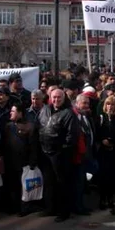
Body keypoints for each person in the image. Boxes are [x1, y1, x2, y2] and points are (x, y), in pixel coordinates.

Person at [37, 88, 78, 222]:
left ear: (64, 98)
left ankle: (63, 211)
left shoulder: (69, 114)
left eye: (59, 97)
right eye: (54, 97)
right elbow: (38, 127)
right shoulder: (44, 110)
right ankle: (50, 208)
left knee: (62, 183)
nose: (56, 100)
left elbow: (71, 136)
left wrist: (62, 150)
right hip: (45, 152)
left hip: (60, 154)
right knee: (49, 182)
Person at [3, 103, 39, 216]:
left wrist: (32, 163)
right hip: (10, 162)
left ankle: (25, 208)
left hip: (24, 163)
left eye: (13, 111)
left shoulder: (30, 126)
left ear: (20, 113)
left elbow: (34, 146)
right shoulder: (8, 126)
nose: (10, 113)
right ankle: (14, 207)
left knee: (24, 187)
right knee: (13, 186)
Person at [97, 95, 115, 210]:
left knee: (113, 177)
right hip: (103, 152)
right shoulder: (100, 118)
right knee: (103, 176)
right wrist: (102, 141)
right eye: (108, 104)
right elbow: (97, 132)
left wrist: (113, 143)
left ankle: (110, 198)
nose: (110, 107)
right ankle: (102, 198)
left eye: (112, 104)